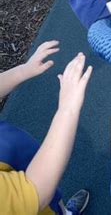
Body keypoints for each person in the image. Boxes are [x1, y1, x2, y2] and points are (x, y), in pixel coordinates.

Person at [0, 40, 92, 214]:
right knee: (45, 196)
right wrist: (67, 108)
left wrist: (22, 71)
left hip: (15, 158)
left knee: (54, 200)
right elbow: (35, 191)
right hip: (30, 193)